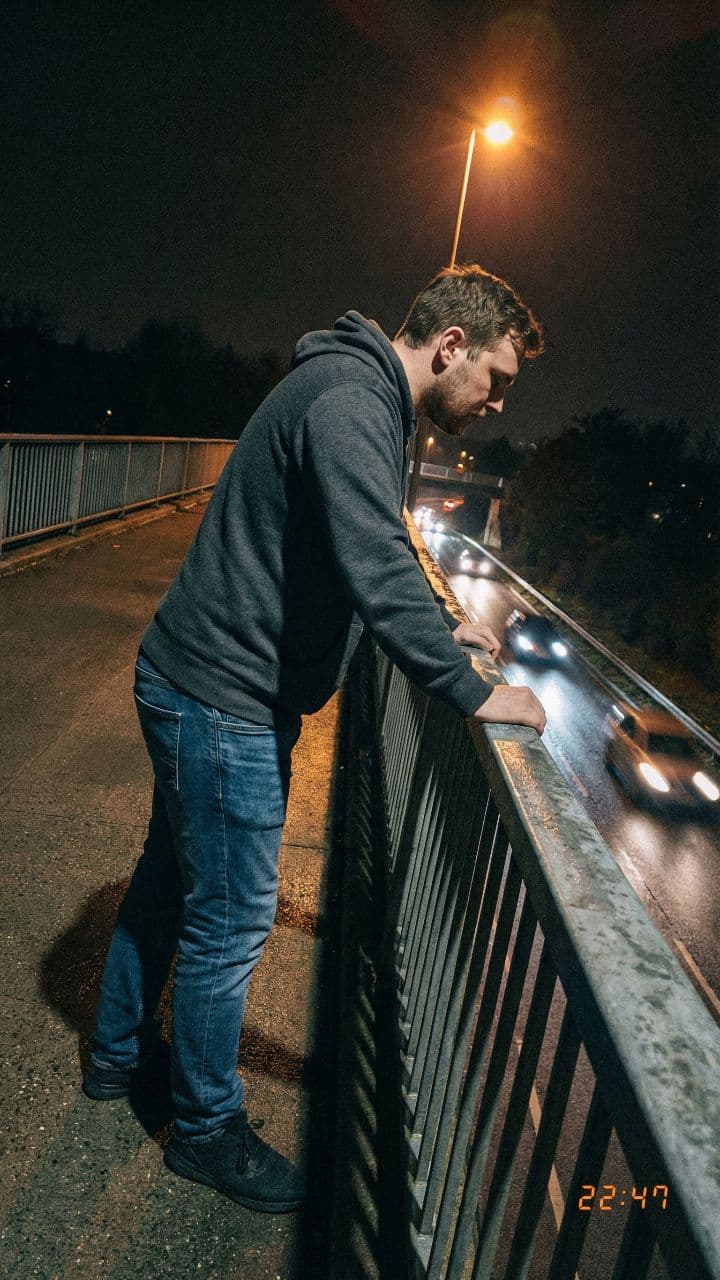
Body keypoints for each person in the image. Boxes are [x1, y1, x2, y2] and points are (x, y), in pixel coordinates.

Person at [82, 264, 546, 1214]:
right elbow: (374, 554)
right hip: (222, 695)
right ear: (450, 346)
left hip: (202, 678)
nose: (497, 402)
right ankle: (204, 1133)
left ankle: (113, 1056)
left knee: (170, 882)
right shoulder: (350, 400)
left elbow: (374, 539)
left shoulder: (360, 392)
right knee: (233, 920)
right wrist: (466, 690)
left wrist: (436, 616)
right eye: (495, 378)